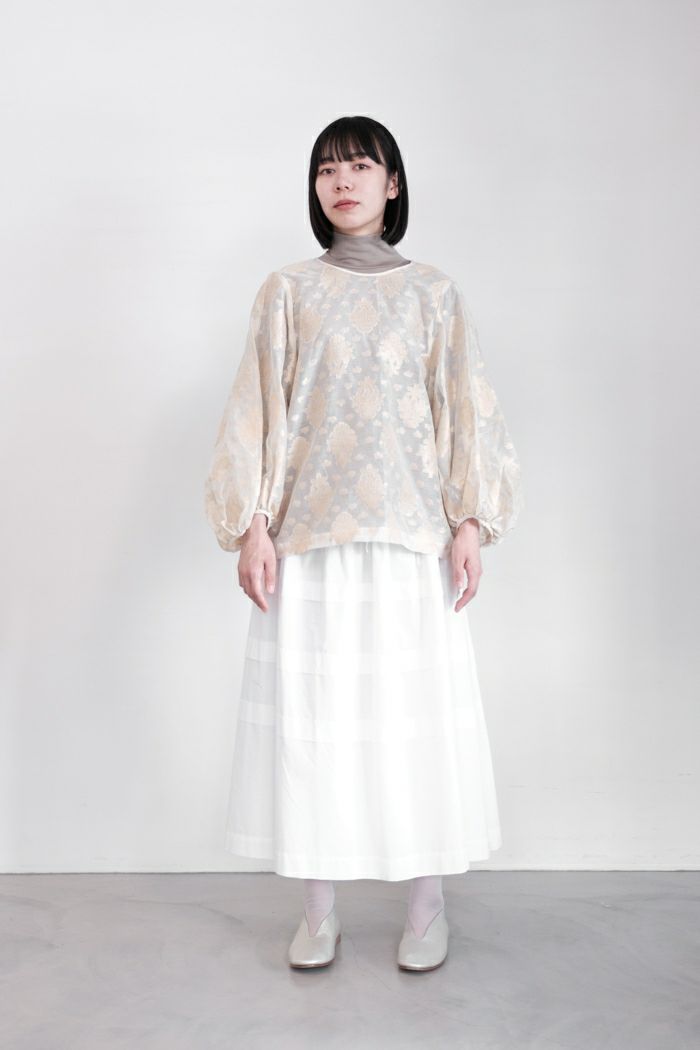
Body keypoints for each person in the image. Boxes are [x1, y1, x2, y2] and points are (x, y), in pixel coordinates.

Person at [204, 115, 524, 972]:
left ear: (393, 183)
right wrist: (252, 524)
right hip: (309, 539)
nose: (341, 181)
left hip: (412, 538)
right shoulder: (287, 291)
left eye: (359, 165)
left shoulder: (433, 294)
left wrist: (470, 521)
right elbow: (257, 410)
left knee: (413, 724)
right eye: (326, 169)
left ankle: (426, 908)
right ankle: (318, 912)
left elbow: (465, 409)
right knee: (315, 726)